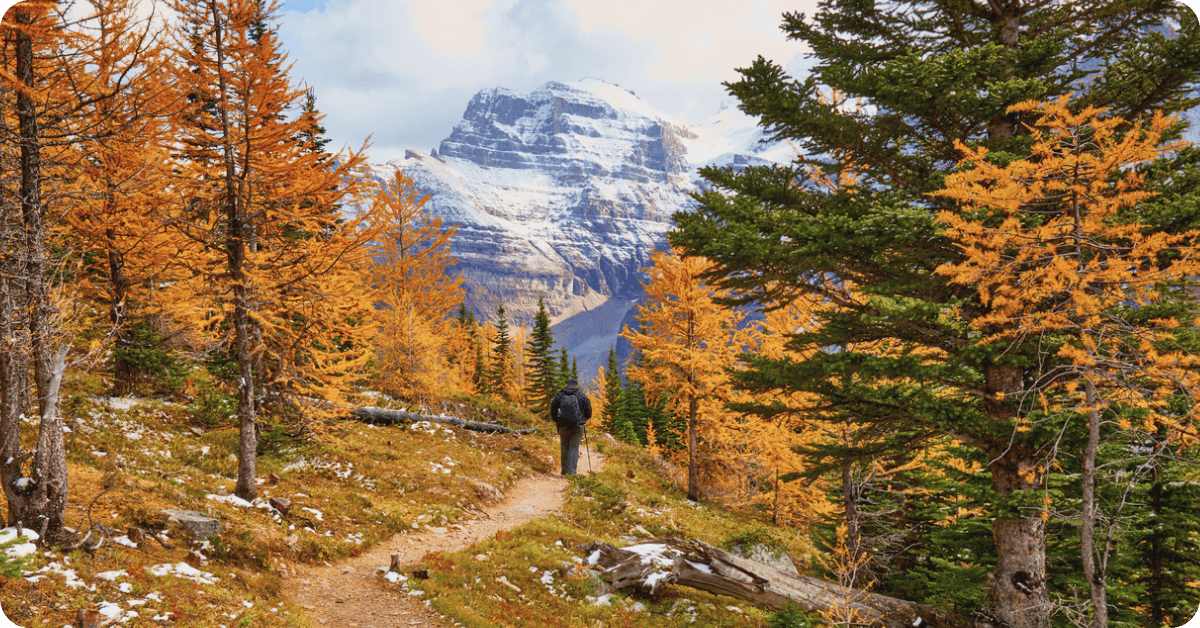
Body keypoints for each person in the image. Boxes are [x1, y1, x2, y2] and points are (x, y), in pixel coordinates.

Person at [550, 378, 592, 476]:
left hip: (563, 426)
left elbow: (553, 409)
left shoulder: (560, 395)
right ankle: (572, 472)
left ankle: (564, 471)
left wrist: (557, 420)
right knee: (574, 447)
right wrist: (583, 418)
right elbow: (589, 411)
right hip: (577, 426)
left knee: (564, 446)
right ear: (576, 385)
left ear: (567, 385)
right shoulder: (581, 395)